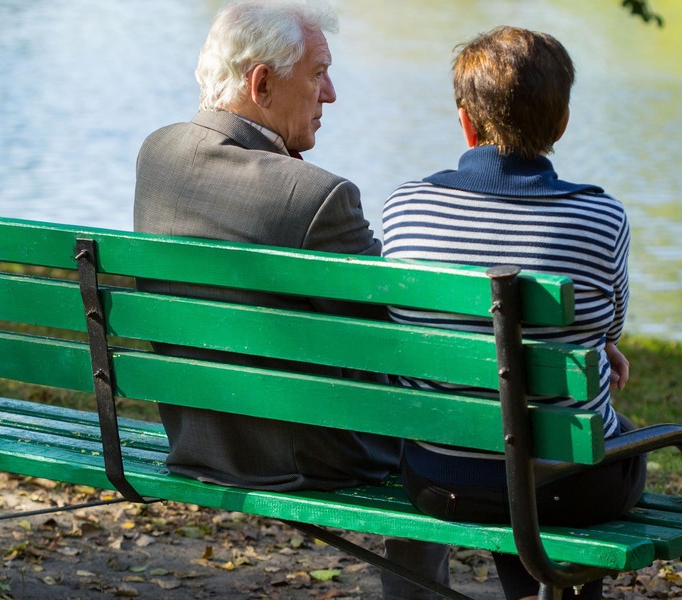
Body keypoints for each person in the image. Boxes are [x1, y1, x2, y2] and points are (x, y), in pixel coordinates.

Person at [133, 1, 450, 597]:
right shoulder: (318, 197)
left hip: (198, 436)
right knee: (439, 424)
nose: (330, 93)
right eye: (318, 73)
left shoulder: (157, 155)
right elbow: (403, 332)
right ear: (261, 83)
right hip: (305, 455)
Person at [381, 26, 646, 600]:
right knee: (604, 438)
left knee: (508, 449)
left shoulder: (406, 208)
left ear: (466, 123)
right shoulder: (600, 219)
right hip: (567, 491)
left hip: (437, 476)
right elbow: (609, 326)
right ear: (562, 123)